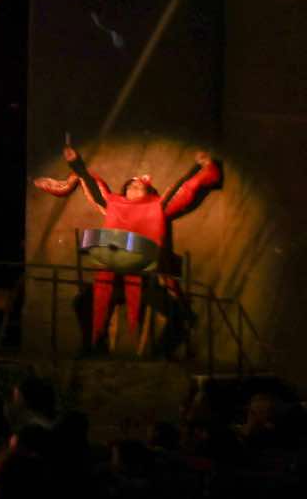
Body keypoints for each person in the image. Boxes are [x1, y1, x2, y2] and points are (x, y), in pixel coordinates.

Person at [35, 143, 221, 351]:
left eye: (140, 186)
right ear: (124, 191)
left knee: (180, 314)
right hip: (112, 277)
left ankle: (161, 355)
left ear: (149, 191)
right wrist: (75, 162)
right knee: (82, 303)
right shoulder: (112, 204)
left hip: (145, 279)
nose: (135, 186)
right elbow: (92, 183)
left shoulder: (158, 206)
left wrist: (205, 166)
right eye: (131, 185)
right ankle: (94, 347)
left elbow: (186, 189)